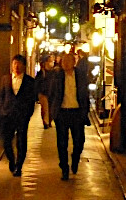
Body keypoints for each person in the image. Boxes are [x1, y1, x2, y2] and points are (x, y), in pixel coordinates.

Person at [49, 52, 90, 180]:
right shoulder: (57, 76)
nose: (65, 63)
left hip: (77, 112)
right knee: (62, 142)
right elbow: (51, 94)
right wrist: (52, 112)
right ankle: (64, 168)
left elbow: (85, 94)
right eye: (63, 61)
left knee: (79, 141)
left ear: (74, 62)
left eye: (68, 61)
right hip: (62, 112)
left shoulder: (81, 75)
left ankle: (75, 158)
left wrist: (85, 110)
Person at [0, 54, 36, 177]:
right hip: (8, 115)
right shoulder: (5, 79)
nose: (16, 66)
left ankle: (19, 166)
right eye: (14, 63)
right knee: (6, 141)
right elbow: (1, 96)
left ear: (24, 66)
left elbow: (32, 100)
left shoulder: (30, 82)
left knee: (21, 142)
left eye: (19, 64)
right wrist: (2, 110)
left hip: (22, 116)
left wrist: (28, 114)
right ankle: (11, 160)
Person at [35, 55, 54, 129]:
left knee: (51, 108)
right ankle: (45, 122)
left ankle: (49, 121)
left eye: (52, 61)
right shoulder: (41, 72)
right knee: (45, 108)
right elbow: (37, 83)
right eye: (49, 61)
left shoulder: (53, 72)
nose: (51, 63)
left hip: (51, 92)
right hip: (43, 93)